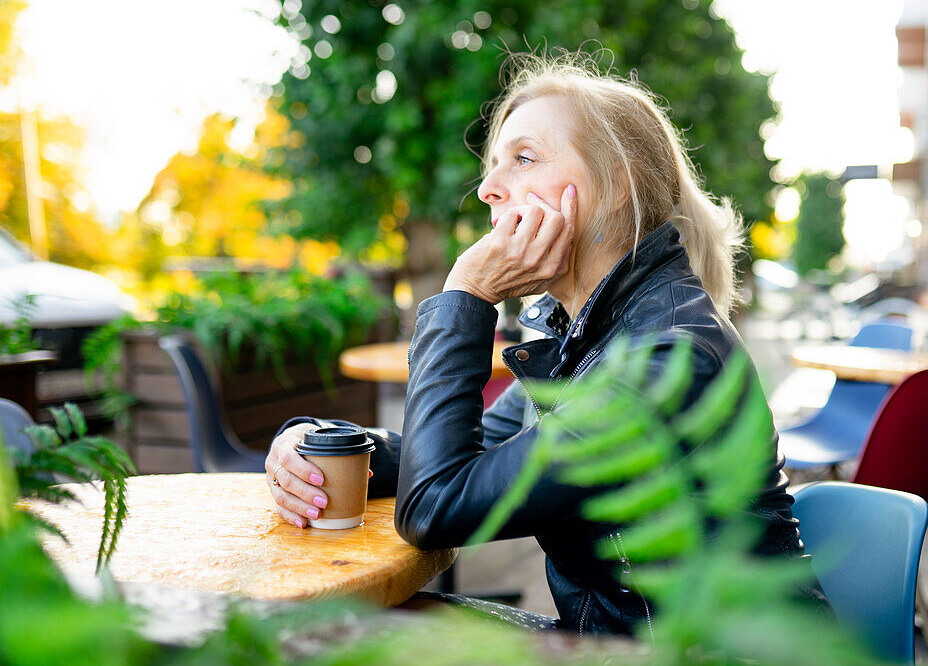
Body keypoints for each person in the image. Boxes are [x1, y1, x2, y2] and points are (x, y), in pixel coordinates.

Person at [266, 54, 814, 636]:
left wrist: (468, 294)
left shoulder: (670, 361)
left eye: (523, 159)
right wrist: (317, 444)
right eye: (495, 165)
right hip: (623, 645)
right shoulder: (585, 342)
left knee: (352, 634)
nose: (488, 189)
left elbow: (433, 507)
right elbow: (461, 463)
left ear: (615, 186)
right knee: (358, 624)